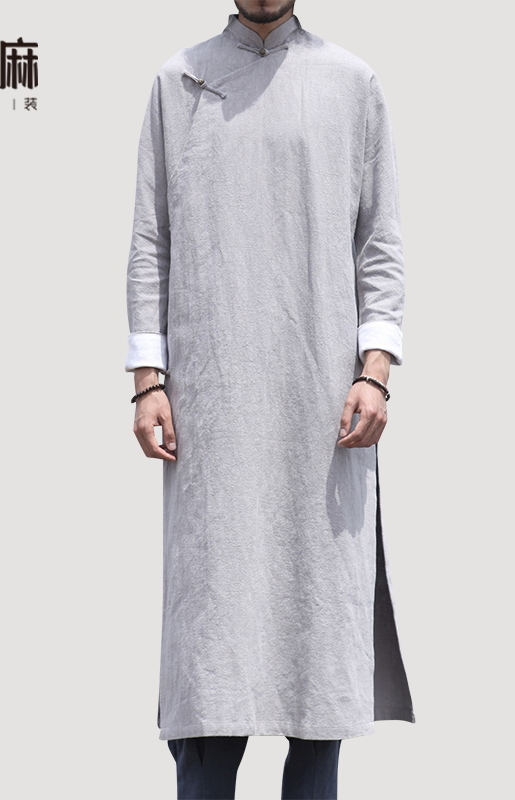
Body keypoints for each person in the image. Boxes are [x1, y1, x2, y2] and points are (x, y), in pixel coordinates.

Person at [125, 2, 416, 797]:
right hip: (212, 409)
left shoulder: (351, 83)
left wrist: (375, 370)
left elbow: (381, 240)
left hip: (321, 411)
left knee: (317, 669)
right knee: (210, 676)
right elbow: (151, 237)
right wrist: (148, 379)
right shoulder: (180, 81)